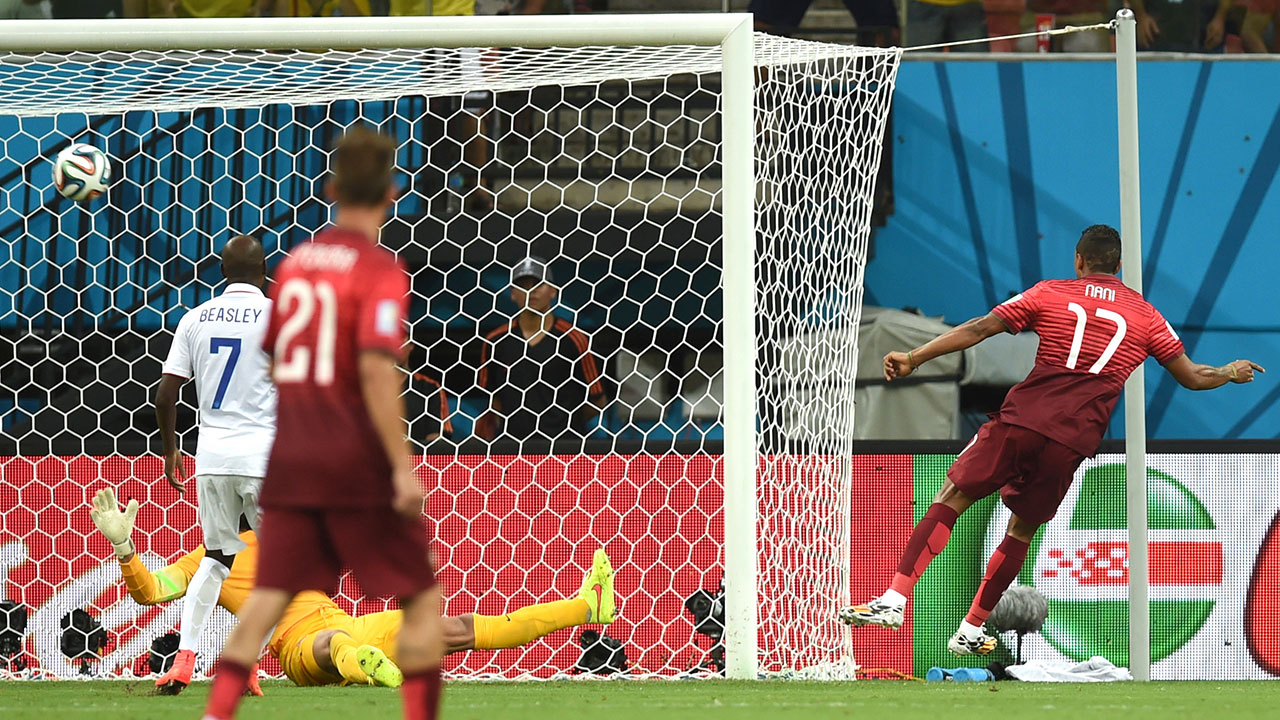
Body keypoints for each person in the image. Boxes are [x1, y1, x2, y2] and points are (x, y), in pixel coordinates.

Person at [839, 224, 1264, 655]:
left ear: (1078, 261)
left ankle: (893, 600)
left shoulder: (1050, 293)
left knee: (952, 497)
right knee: (1021, 531)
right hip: (1073, 441)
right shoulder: (1147, 316)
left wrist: (914, 357)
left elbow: (981, 328)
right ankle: (971, 628)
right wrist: (1230, 372)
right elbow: (1192, 377)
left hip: (1023, 420)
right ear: (1119, 266)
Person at [200, 127, 438, 720]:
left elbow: (278, 359)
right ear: (391, 195)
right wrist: (400, 465)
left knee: (270, 594)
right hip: (349, 454)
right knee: (419, 597)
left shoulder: (297, 265)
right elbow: (375, 370)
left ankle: (217, 712)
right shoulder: (380, 270)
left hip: (291, 454)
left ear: (329, 188)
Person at [88, 489, 616, 687]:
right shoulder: (211, 556)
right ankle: (358, 661)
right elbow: (154, 591)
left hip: (352, 625)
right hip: (297, 647)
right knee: (327, 647)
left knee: (456, 630)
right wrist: (126, 551)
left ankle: (586, 605)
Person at [152, 234, 276, 695]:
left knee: (217, 558)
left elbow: (166, 393)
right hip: (264, 458)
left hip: (212, 458)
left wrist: (170, 451)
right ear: (265, 273)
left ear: (222, 274)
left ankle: (185, 658)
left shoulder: (194, 319)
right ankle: (244, 663)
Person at [477, 257, 606, 443]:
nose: (532, 291)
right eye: (524, 285)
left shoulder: (574, 339)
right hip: (512, 452)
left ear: (553, 291)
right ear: (512, 293)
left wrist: (563, 426)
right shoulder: (495, 341)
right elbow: (493, 400)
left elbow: (597, 400)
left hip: (564, 452)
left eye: (539, 284)